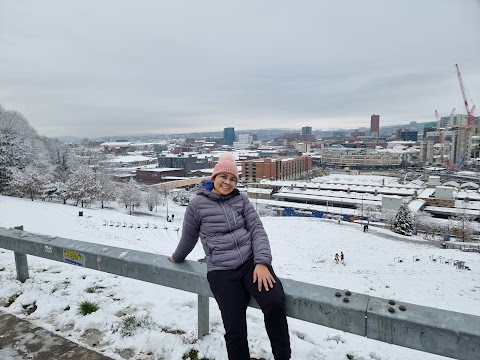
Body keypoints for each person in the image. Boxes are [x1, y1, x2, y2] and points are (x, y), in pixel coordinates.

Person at [168, 153, 291, 360]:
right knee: (235, 328)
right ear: (214, 177)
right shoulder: (196, 205)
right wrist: (177, 257)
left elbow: (257, 230)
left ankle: (282, 357)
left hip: (251, 263)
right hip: (221, 271)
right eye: (224, 177)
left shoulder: (241, 200)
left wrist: (261, 262)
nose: (228, 182)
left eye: (233, 179)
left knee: (274, 303)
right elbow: (188, 238)